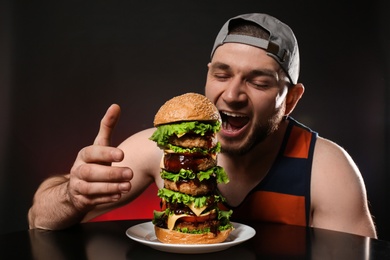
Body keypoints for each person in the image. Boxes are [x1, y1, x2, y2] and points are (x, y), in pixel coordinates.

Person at [28, 13, 377, 238]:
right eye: (221, 74)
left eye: (258, 81)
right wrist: (73, 194)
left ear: (290, 100)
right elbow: (38, 219)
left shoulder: (325, 169)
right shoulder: (163, 147)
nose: (233, 94)